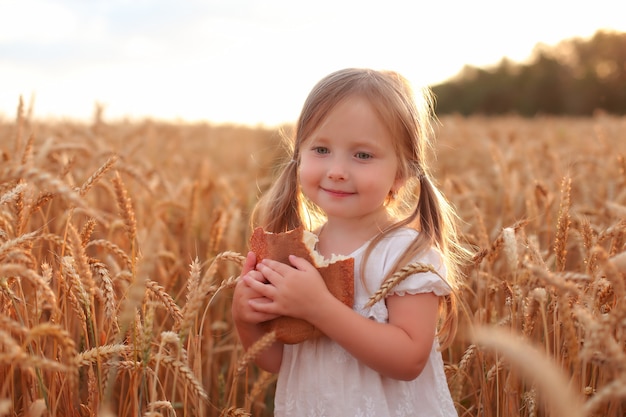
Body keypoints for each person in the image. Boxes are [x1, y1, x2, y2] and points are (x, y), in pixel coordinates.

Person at [232, 68, 469, 416]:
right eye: (322, 149)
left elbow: (408, 360)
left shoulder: (407, 255)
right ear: (300, 154)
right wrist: (245, 318)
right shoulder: (296, 253)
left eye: (362, 155)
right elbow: (279, 361)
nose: (337, 170)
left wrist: (319, 308)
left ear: (401, 172)